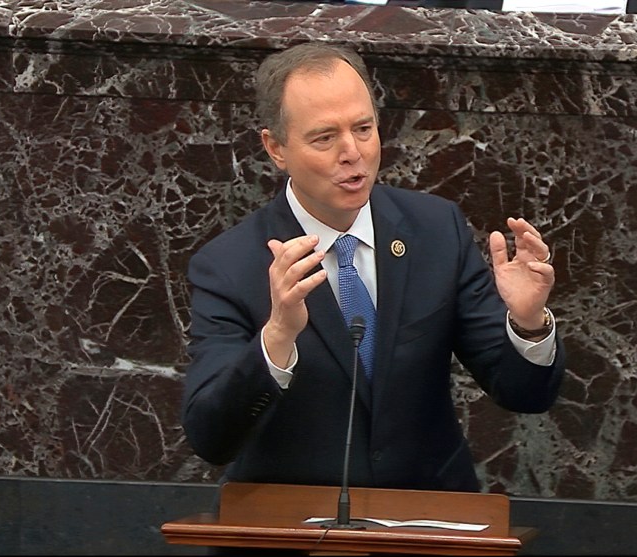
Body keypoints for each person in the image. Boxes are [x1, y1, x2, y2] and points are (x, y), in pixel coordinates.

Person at [182, 42, 565, 498]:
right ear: (276, 148)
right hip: (293, 522)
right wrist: (277, 337)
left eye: (363, 129)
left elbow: (525, 394)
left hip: (427, 515)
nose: (353, 152)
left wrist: (528, 323)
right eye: (325, 138)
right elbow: (211, 437)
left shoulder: (435, 230)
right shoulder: (228, 266)